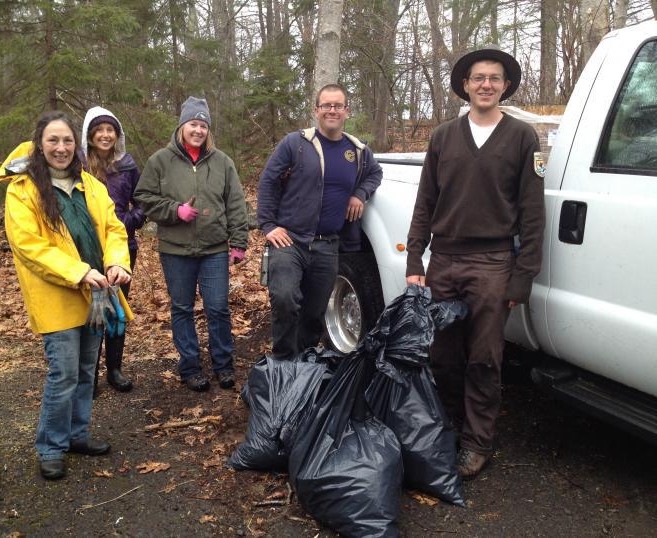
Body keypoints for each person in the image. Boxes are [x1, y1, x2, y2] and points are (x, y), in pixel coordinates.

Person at [405, 46, 545, 479]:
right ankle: (446, 428)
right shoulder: (444, 136)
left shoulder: (523, 138)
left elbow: (532, 213)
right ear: (465, 85)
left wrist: (523, 278)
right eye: (478, 78)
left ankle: (477, 441)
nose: (486, 84)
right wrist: (415, 256)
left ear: (505, 86)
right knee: (442, 354)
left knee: (484, 357)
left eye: (495, 78)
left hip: (493, 263)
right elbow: (426, 200)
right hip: (444, 259)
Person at [0, 111, 133, 480]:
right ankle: (51, 446)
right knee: (64, 373)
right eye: (53, 141)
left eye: (67, 141)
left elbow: (113, 228)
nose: (61, 148)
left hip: (97, 294)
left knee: (87, 369)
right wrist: (79, 272)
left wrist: (117, 262)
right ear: (40, 145)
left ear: (77, 145)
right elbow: (30, 246)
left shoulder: (90, 184)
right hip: (58, 295)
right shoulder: (24, 190)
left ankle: (77, 435)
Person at [257, 84, 382, 359]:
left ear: (347, 111)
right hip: (290, 240)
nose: (332, 110)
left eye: (338, 105)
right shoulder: (296, 143)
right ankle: (283, 364)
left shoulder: (357, 151)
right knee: (285, 298)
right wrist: (267, 224)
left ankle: (306, 362)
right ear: (316, 110)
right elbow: (268, 181)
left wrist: (360, 195)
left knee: (315, 311)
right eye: (326, 105)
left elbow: (375, 174)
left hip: (328, 245)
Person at [134, 97, 248, 392]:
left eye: (203, 125)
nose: (198, 130)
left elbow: (235, 203)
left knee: (219, 308)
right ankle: (191, 367)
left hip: (214, 249)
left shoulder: (222, 162)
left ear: (208, 129)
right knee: (182, 308)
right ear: (183, 125)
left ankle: (223, 366)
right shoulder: (160, 160)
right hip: (176, 250)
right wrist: (175, 211)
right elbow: (144, 197)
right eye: (193, 124)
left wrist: (238, 242)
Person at [81, 106, 145, 394]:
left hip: (123, 248)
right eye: (100, 130)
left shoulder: (128, 165)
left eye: (110, 130)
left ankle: (114, 369)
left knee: (116, 309)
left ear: (117, 135)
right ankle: (89, 373)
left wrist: (128, 222)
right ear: (90, 134)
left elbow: (143, 201)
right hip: (86, 250)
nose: (105, 135)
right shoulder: (77, 165)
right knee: (91, 311)